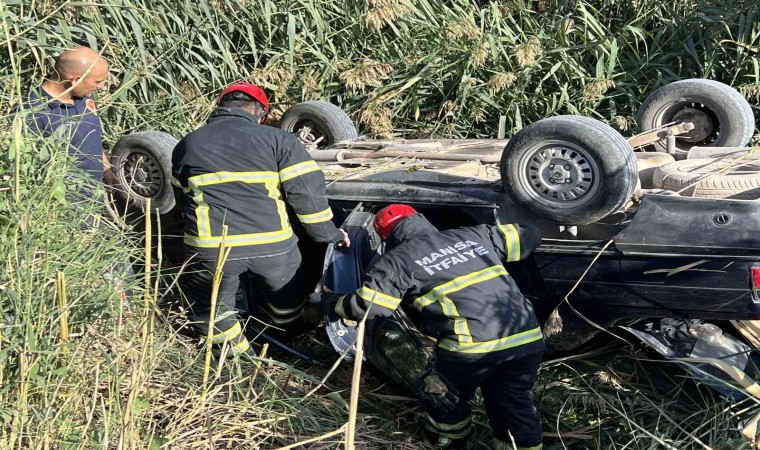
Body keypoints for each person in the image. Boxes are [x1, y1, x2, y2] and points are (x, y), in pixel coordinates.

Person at [309, 204, 544, 450]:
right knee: (513, 402)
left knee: (442, 394)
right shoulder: (473, 235)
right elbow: (530, 234)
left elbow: (367, 307)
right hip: (525, 336)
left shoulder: (398, 261)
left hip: (471, 345)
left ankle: (447, 442)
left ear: (385, 237)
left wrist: (325, 301)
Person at [172, 81, 350, 358]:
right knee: (286, 302)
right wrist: (329, 235)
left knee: (212, 311)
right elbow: (306, 195)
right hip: (273, 245)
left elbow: (182, 199)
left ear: (220, 107)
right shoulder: (278, 140)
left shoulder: (188, 143)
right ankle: (282, 343)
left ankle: (241, 363)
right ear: (260, 113)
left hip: (212, 247)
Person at [22, 46, 112, 185]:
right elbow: (24, 171)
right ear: (75, 79)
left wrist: (108, 172)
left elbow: (90, 136)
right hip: (64, 202)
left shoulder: (84, 95)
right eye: (98, 81)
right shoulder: (32, 113)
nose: (102, 86)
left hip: (95, 197)